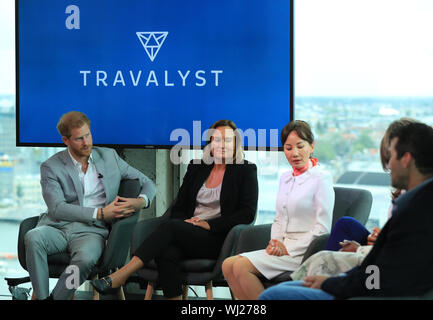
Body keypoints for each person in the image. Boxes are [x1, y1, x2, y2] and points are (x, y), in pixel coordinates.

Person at [260, 121, 433, 300]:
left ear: (406, 159)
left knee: (273, 295)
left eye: (391, 156)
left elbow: (380, 275)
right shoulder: (431, 200)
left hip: (379, 294)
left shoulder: (416, 211)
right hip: (380, 287)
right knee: (286, 289)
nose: (389, 165)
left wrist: (332, 284)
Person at [92, 119, 259, 299]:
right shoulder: (197, 167)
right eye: (217, 140)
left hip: (219, 239)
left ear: (235, 144)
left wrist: (208, 225)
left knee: (171, 228)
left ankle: (121, 275)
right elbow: (179, 206)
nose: (222, 145)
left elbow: (246, 214)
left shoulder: (245, 170)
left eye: (228, 140)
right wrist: (186, 223)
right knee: (166, 252)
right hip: (187, 232)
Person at [24, 111, 156, 300]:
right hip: (57, 227)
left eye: (88, 135)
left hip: (91, 232)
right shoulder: (50, 166)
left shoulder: (109, 157)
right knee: (33, 236)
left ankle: (56, 298)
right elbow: (57, 208)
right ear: (65, 140)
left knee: (85, 260)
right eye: (79, 139)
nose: (86, 143)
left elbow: (148, 183)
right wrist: (100, 213)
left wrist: (141, 201)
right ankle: (42, 297)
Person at [290, 118, 416, 281]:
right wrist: (380, 238)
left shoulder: (417, 202)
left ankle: (311, 282)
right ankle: (312, 281)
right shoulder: (406, 193)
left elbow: (401, 251)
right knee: (346, 225)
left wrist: (363, 249)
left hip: (386, 267)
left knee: (278, 293)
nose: (389, 166)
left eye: (390, 157)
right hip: (384, 253)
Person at [221, 120, 334, 300]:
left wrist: (288, 248)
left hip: (304, 251)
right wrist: (275, 242)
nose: (294, 153)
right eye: (288, 148)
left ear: (312, 146)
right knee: (228, 265)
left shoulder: (322, 178)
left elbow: (322, 229)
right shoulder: (285, 178)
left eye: (300, 146)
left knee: (240, 267)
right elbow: (279, 219)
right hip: (281, 249)